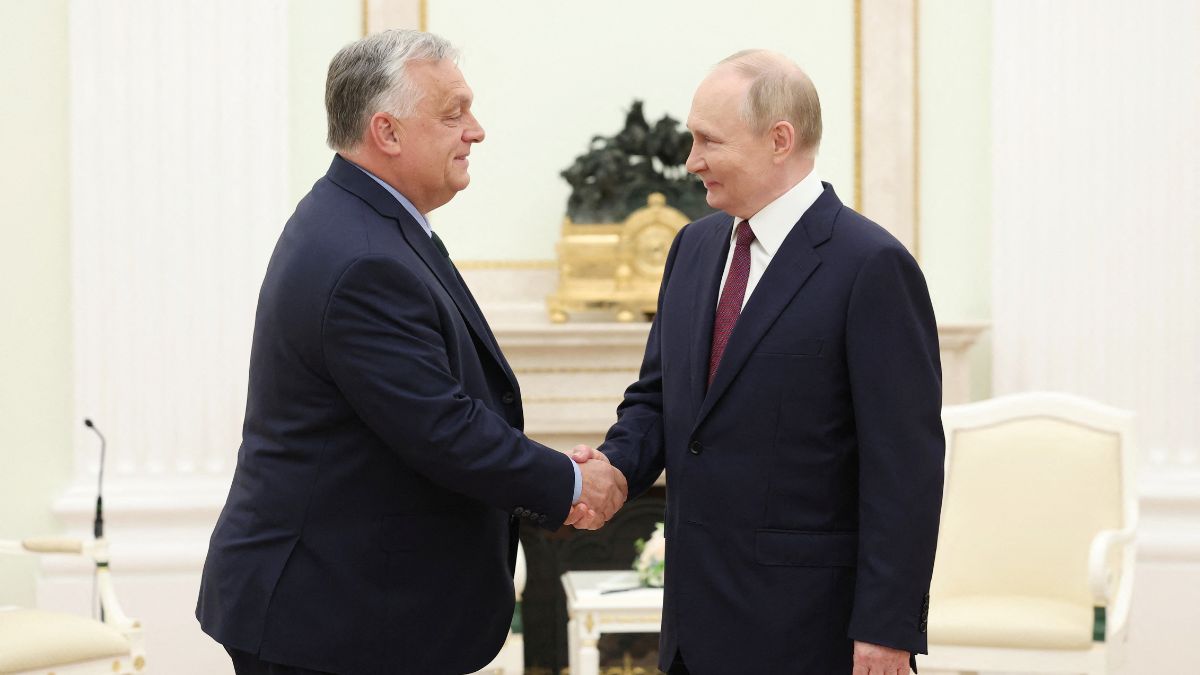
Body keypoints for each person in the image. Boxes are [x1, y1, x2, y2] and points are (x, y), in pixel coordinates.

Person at [196, 30, 625, 675]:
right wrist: (570, 482)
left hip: (349, 608)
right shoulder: (364, 256)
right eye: (454, 113)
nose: (476, 131)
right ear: (388, 132)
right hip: (329, 620)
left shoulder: (366, 222)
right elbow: (442, 428)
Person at [590, 50, 944, 674]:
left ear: (780, 140)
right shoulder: (693, 247)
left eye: (709, 141)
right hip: (691, 631)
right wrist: (614, 469)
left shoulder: (872, 266)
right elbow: (659, 398)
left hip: (810, 634)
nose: (691, 160)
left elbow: (905, 470)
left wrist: (886, 630)